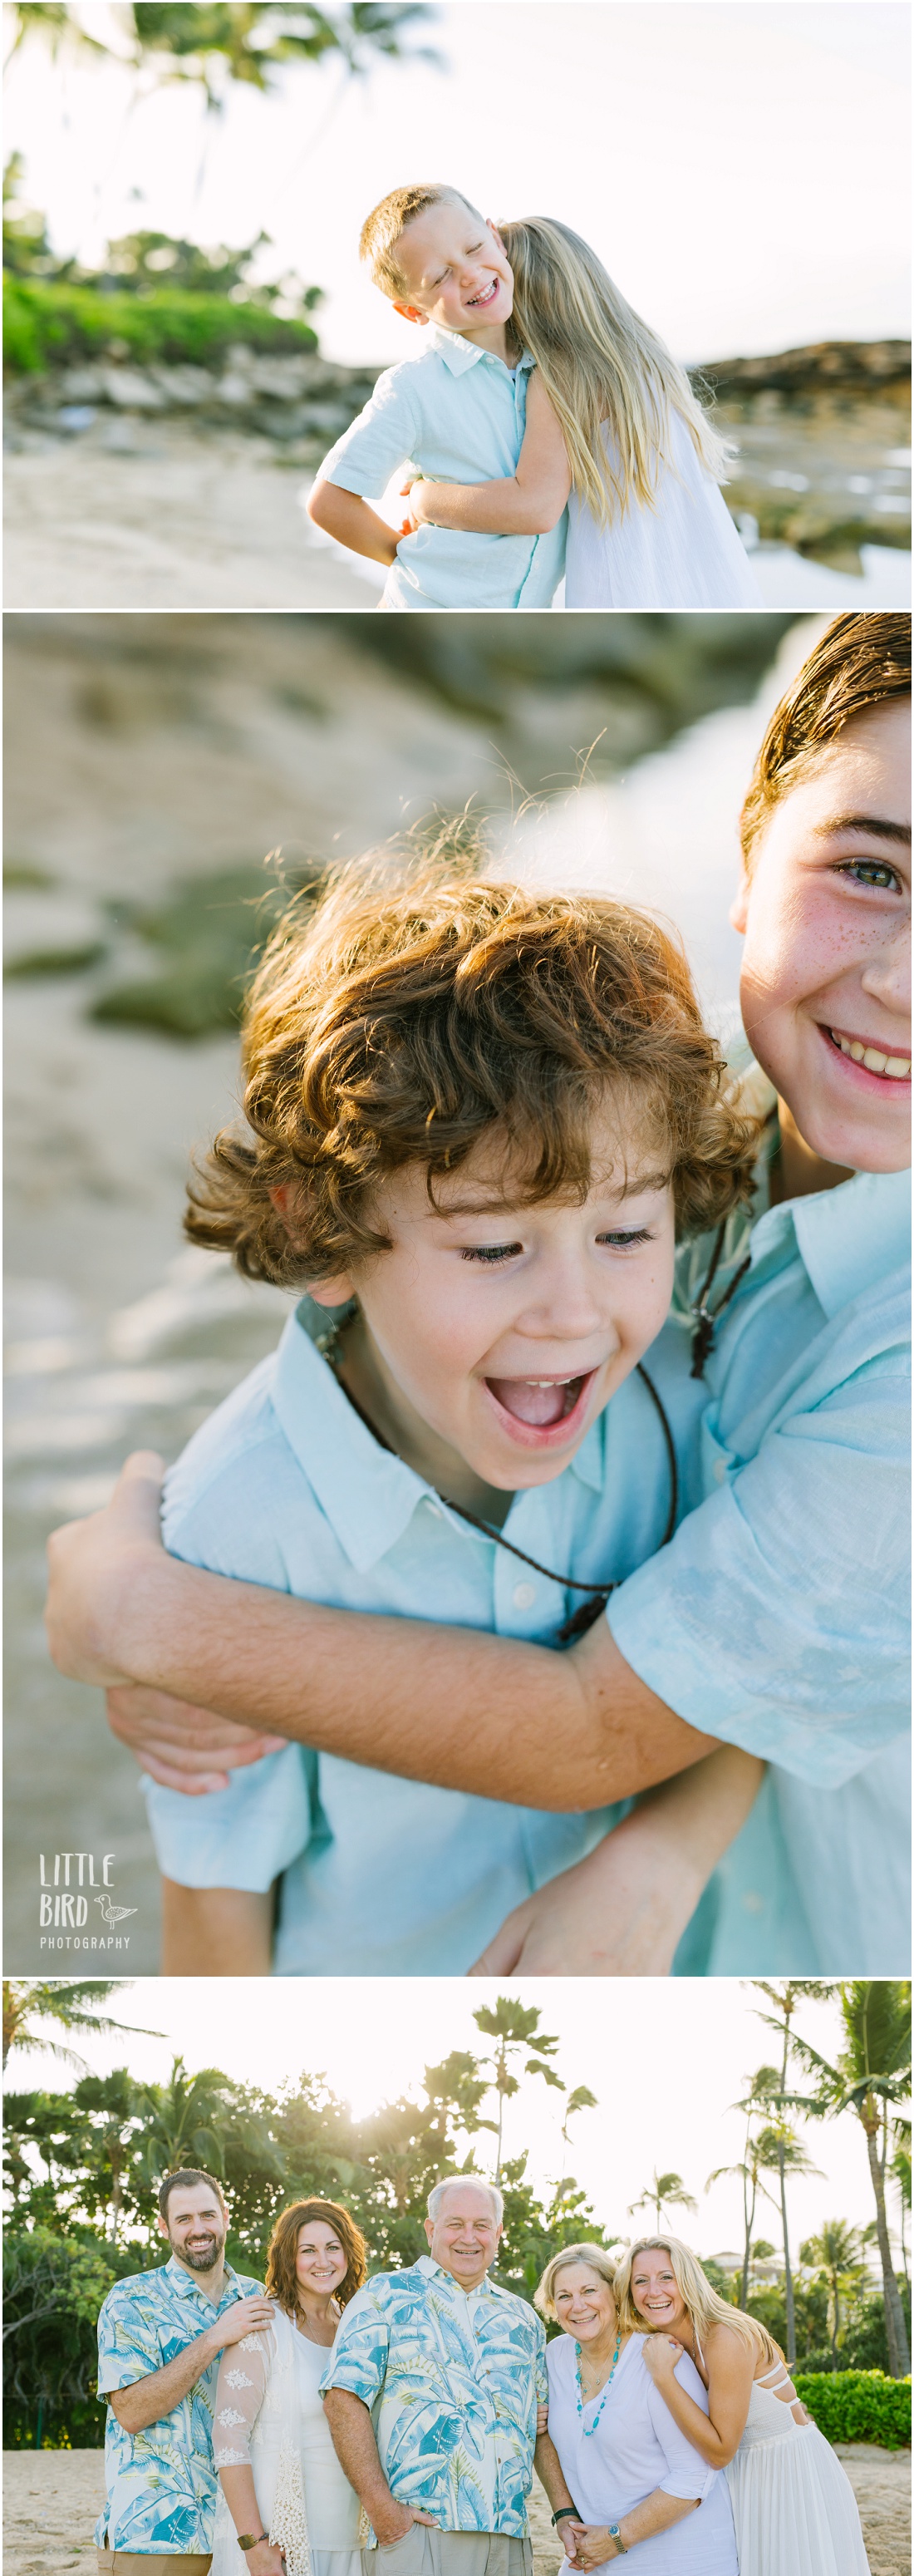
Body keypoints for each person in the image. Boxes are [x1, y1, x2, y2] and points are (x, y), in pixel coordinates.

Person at [45, 613, 912, 1978]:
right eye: (871, 869)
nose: (902, 979)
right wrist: (201, 1624)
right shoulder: (669, 1171)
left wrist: (143, 1620)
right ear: (748, 851)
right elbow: (213, 1912)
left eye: (621, 1236)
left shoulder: (656, 1337)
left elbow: (606, 1725)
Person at [58, 853, 759, 1980]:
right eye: (493, 1245)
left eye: (626, 1233)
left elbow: (753, 1685)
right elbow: (214, 1920)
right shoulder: (234, 1534)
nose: (575, 1313)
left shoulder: (687, 1395)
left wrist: (661, 1854)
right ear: (326, 1236)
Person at [400, 216, 761, 611]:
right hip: (721, 583)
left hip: (627, 586)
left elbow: (532, 505)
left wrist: (424, 497)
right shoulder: (649, 360)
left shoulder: (563, 376)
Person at [307, 187, 568, 608]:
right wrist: (400, 556)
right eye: (440, 276)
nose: (469, 273)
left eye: (474, 247)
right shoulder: (414, 387)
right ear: (412, 311)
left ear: (495, 238)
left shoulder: (552, 366)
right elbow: (329, 501)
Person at [320, 2174, 578, 2576]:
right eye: (455, 2224)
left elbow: (539, 2429)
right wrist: (382, 2509)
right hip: (420, 2532)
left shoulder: (522, 2318)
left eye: (481, 2226)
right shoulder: (384, 2295)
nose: (468, 2238)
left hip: (509, 2536)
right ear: (431, 2229)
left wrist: (563, 2511)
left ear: (497, 2234)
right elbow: (342, 2399)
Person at [619, 2237, 872, 2576]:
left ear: (689, 2280)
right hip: (742, 2477)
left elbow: (721, 2451)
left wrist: (664, 2377)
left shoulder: (724, 2337)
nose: (654, 2291)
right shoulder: (667, 2341)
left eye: (667, 2277)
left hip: (789, 2475)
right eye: (640, 2281)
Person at [95, 2170, 269, 2576]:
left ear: (226, 2216)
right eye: (184, 2219)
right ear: (164, 2226)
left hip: (240, 2537)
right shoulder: (130, 2299)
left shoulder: (258, 2298)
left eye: (207, 2215)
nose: (198, 2230)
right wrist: (213, 2338)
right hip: (152, 2537)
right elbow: (132, 2411)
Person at [534, 2243, 738, 2576]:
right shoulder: (554, 2356)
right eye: (564, 2296)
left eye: (589, 2291)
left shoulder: (659, 2357)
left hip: (682, 2566)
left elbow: (694, 2476)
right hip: (594, 2563)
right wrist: (564, 2512)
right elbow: (542, 2436)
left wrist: (617, 2538)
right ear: (553, 2307)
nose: (579, 2306)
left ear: (615, 2295)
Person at [209, 2199, 366, 2576]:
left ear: (348, 2253)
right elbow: (229, 2439)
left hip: (351, 2538)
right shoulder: (263, 2324)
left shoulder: (356, 2326)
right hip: (279, 2541)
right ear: (287, 2258)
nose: (323, 2260)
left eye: (333, 2247)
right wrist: (253, 2543)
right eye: (307, 2250)